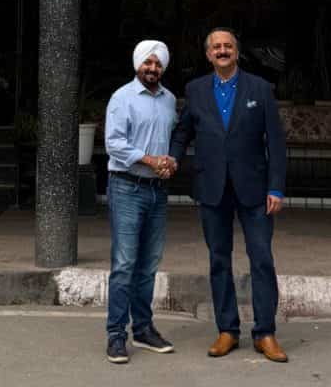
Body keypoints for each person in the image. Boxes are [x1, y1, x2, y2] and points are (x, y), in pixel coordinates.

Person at [169, 27, 289, 363]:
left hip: (255, 190)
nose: (222, 51)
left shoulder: (260, 88)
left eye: (228, 46)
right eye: (216, 47)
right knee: (219, 260)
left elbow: (276, 142)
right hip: (212, 188)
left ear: (237, 51)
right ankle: (227, 330)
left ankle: (265, 333)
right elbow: (183, 133)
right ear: (208, 54)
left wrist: (276, 187)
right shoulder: (195, 90)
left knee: (262, 259)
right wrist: (173, 159)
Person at [103, 39, 179, 364]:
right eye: (147, 62)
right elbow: (114, 144)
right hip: (127, 188)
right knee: (124, 264)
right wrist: (150, 160)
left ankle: (144, 329)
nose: (152, 68)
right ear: (138, 65)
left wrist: (170, 161)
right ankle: (116, 335)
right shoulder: (122, 97)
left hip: (157, 191)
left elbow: (172, 140)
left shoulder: (170, 100)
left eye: (158, 63)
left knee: (148, 265)